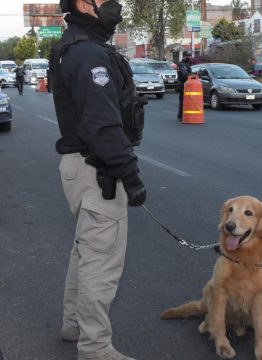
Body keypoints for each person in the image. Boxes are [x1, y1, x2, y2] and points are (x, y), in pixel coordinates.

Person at [50, 1, 146, 360]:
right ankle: (95, 349)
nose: (113, 4)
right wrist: (130, 174)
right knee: (100, 264)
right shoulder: (88, 54)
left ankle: (73, 325)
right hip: (98, 169)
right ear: (82, 4)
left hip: (83, 166)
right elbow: (101, 125)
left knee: (86, 253)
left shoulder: (76, 45)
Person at [177, 50, 192, 121]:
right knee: (183, 101)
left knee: (186, 100)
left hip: (187, 84)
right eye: (188, 56)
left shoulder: (187, 64)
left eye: (189, 56)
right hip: (182, 84)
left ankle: (183, 115)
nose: (189, 57)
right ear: (184, 56)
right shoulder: (181, 64)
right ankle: (180, 116)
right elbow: (184, 74)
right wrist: (192, 75)